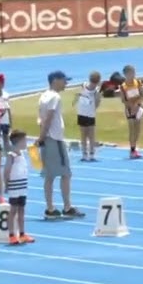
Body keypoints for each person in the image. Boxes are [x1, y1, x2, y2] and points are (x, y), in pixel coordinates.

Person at [38, 71, 83, 220]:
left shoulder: (43, 96)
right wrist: (42, 137)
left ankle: (51, 207)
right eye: (64, 80)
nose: (66, 83)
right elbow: (49, 118)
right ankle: (66, 207)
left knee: (50, 175)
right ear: (55, 80)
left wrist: (41, 137)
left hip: (49, 138)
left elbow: (42, 119)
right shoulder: (55, 97)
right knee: (65, 174)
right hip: (54, 139)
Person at [3, 130, 33, 244]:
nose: (26, 143)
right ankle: (11, 235)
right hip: (14, 186)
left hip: (22, 186)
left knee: (22, 210)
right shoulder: (12, 155)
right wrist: (6, 184)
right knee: (13, 210)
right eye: (24, 140)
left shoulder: (22, 154)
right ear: (19, 142)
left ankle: (22, 233)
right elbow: (6, 171)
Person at [75, 71, 102, 161]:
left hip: (82, 113)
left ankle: (85, 154)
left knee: (85, 135)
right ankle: (90, 154)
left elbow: (79, 95)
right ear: (98, 81)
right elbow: (97, 103)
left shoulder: (84, 85)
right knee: (90, 135)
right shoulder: (96, 91)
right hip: (88, 114)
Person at [119, 64, 143, 159]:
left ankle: (134, 147)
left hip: (138, 108)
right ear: (126, 74)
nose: (133, 74)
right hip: (129, 110)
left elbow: (142, 95)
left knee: (138, 130)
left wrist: (136, 105)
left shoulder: (138, 82)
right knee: (132, 129)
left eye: (134, 72)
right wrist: (131, 106)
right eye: (131, 73)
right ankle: (132, 150)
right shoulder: (123, 86)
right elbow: (123, 100)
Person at [0, 74, 13, 150]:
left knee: (6, 139)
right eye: (0, 83)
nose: (2, 84)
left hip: (5, 121)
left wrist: (11, 123)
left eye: (3, 82)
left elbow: (8, 109)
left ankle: (8, 157)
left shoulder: (6, 95)